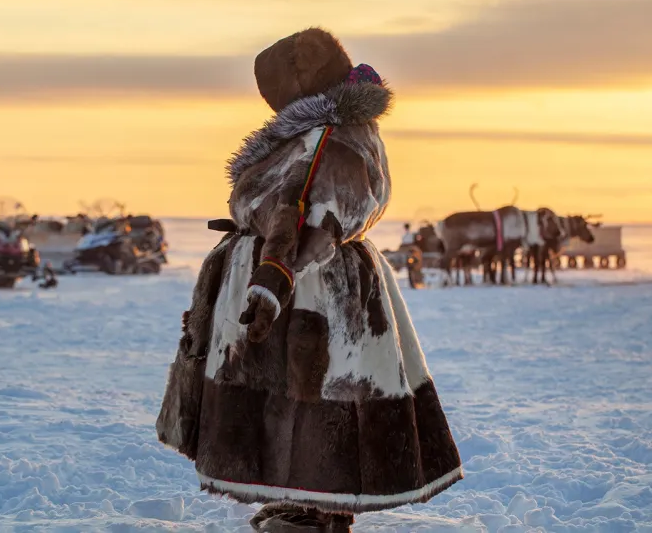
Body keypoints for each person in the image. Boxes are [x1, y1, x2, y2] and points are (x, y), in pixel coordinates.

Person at [156, 27, 463, 532]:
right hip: (322, 285)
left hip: (313, 292)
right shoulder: (336, 131)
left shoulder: (328, 140)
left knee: (319, 393)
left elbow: (309, 219)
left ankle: (325, 513)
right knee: (315, 393)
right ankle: (308, 498)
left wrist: (270, 282)